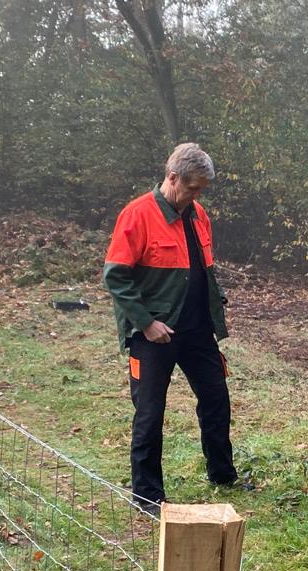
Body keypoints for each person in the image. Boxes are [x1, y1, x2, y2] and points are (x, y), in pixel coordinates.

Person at [103, 142, 244, 515]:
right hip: (153, 334)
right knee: (149, 411)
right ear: (172, 177)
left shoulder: (198, 216)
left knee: (216, 399)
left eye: (202, 189)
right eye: (193, 187)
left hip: (197, 330)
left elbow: (202, 270)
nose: (198, 196)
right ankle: (147, 494)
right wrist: (146, 324)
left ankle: (223, 474)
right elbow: (116, 278)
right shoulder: (137, 215)